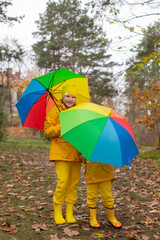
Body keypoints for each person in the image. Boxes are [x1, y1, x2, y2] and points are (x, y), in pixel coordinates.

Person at [44, 84, 81, 225]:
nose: (70, 99)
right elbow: (47, 130)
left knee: (73, 184)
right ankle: (58, 211)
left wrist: (83, 151)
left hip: (76, 152)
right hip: (60, 152)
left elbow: (83, 134)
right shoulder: (55, 110)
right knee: (63, 182)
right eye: (68, 96)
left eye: (73, 97)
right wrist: (63, 126)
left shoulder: (78, 111)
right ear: (63, 97)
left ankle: (70, 212)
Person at [81, 156, 122, 229]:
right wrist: (83, 157)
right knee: (92, 196)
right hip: (91, 174)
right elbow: (81, 158)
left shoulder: (108, 145)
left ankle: (111, 217)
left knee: (107, 196)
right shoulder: (87, 145)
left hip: (105, 173)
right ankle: (93, 218)